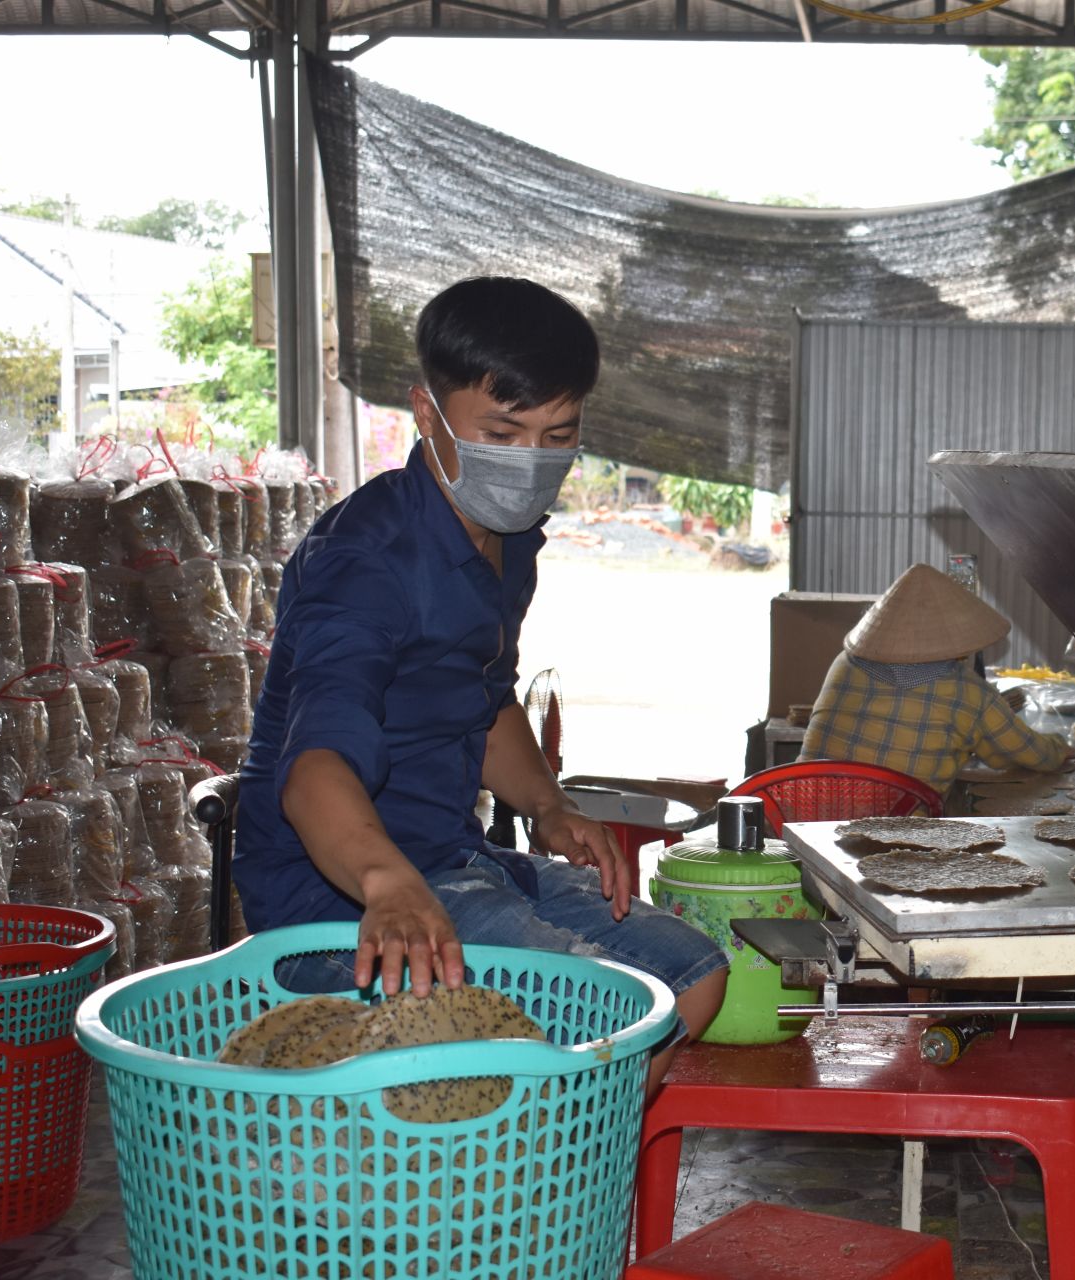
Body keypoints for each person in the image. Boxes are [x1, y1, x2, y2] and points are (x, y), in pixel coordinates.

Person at [235, 276, 727, 1093]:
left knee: (694, 982)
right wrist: (387, 882)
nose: (531, 461)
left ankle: (552, 1167)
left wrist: (548, 806)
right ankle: (509, 1190)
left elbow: (483, 693)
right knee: (587, 1016)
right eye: (503, 432)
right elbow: (315, 763)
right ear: (427, 414)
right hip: (339, 895)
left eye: (557, 434)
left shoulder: (509, 538)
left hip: (449, 859)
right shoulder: (365, 562)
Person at [799, 564, 1071, 794]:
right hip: (893, 830)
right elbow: (1028, 754)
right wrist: (1063, 748)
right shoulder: (969, 693)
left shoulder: (844, 664)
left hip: (804, 812)